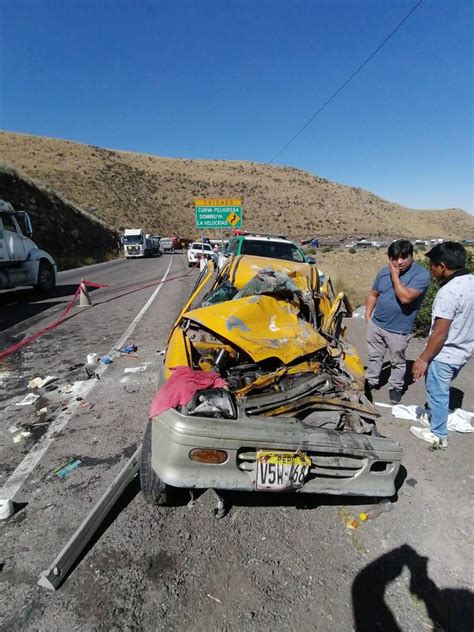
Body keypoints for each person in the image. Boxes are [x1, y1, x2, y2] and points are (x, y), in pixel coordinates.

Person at [410, 241, 473, 448]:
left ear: (442, 267)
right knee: (441, 390)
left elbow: (440, 333)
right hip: (463, 351)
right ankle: (438, 421)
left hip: (444, 354)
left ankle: (438, 434)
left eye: (432, 265)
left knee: (437, 392)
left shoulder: (448, 292)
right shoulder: (471, 282)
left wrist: (422, 359)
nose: (431, 269)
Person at [365, 239, 431, 404]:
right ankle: (371, 381)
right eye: (394, 258)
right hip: (377, 324)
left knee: (398, 362)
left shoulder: (420, 274)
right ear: (389, 258)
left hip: (399, 330)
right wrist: (368, 316)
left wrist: (394, 275)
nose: (399, 262)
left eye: (404, 257)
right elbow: (373, 294)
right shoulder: (382, 272)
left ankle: (395, 386)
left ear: (411, 256)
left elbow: (406, 298)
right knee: (374, 357)